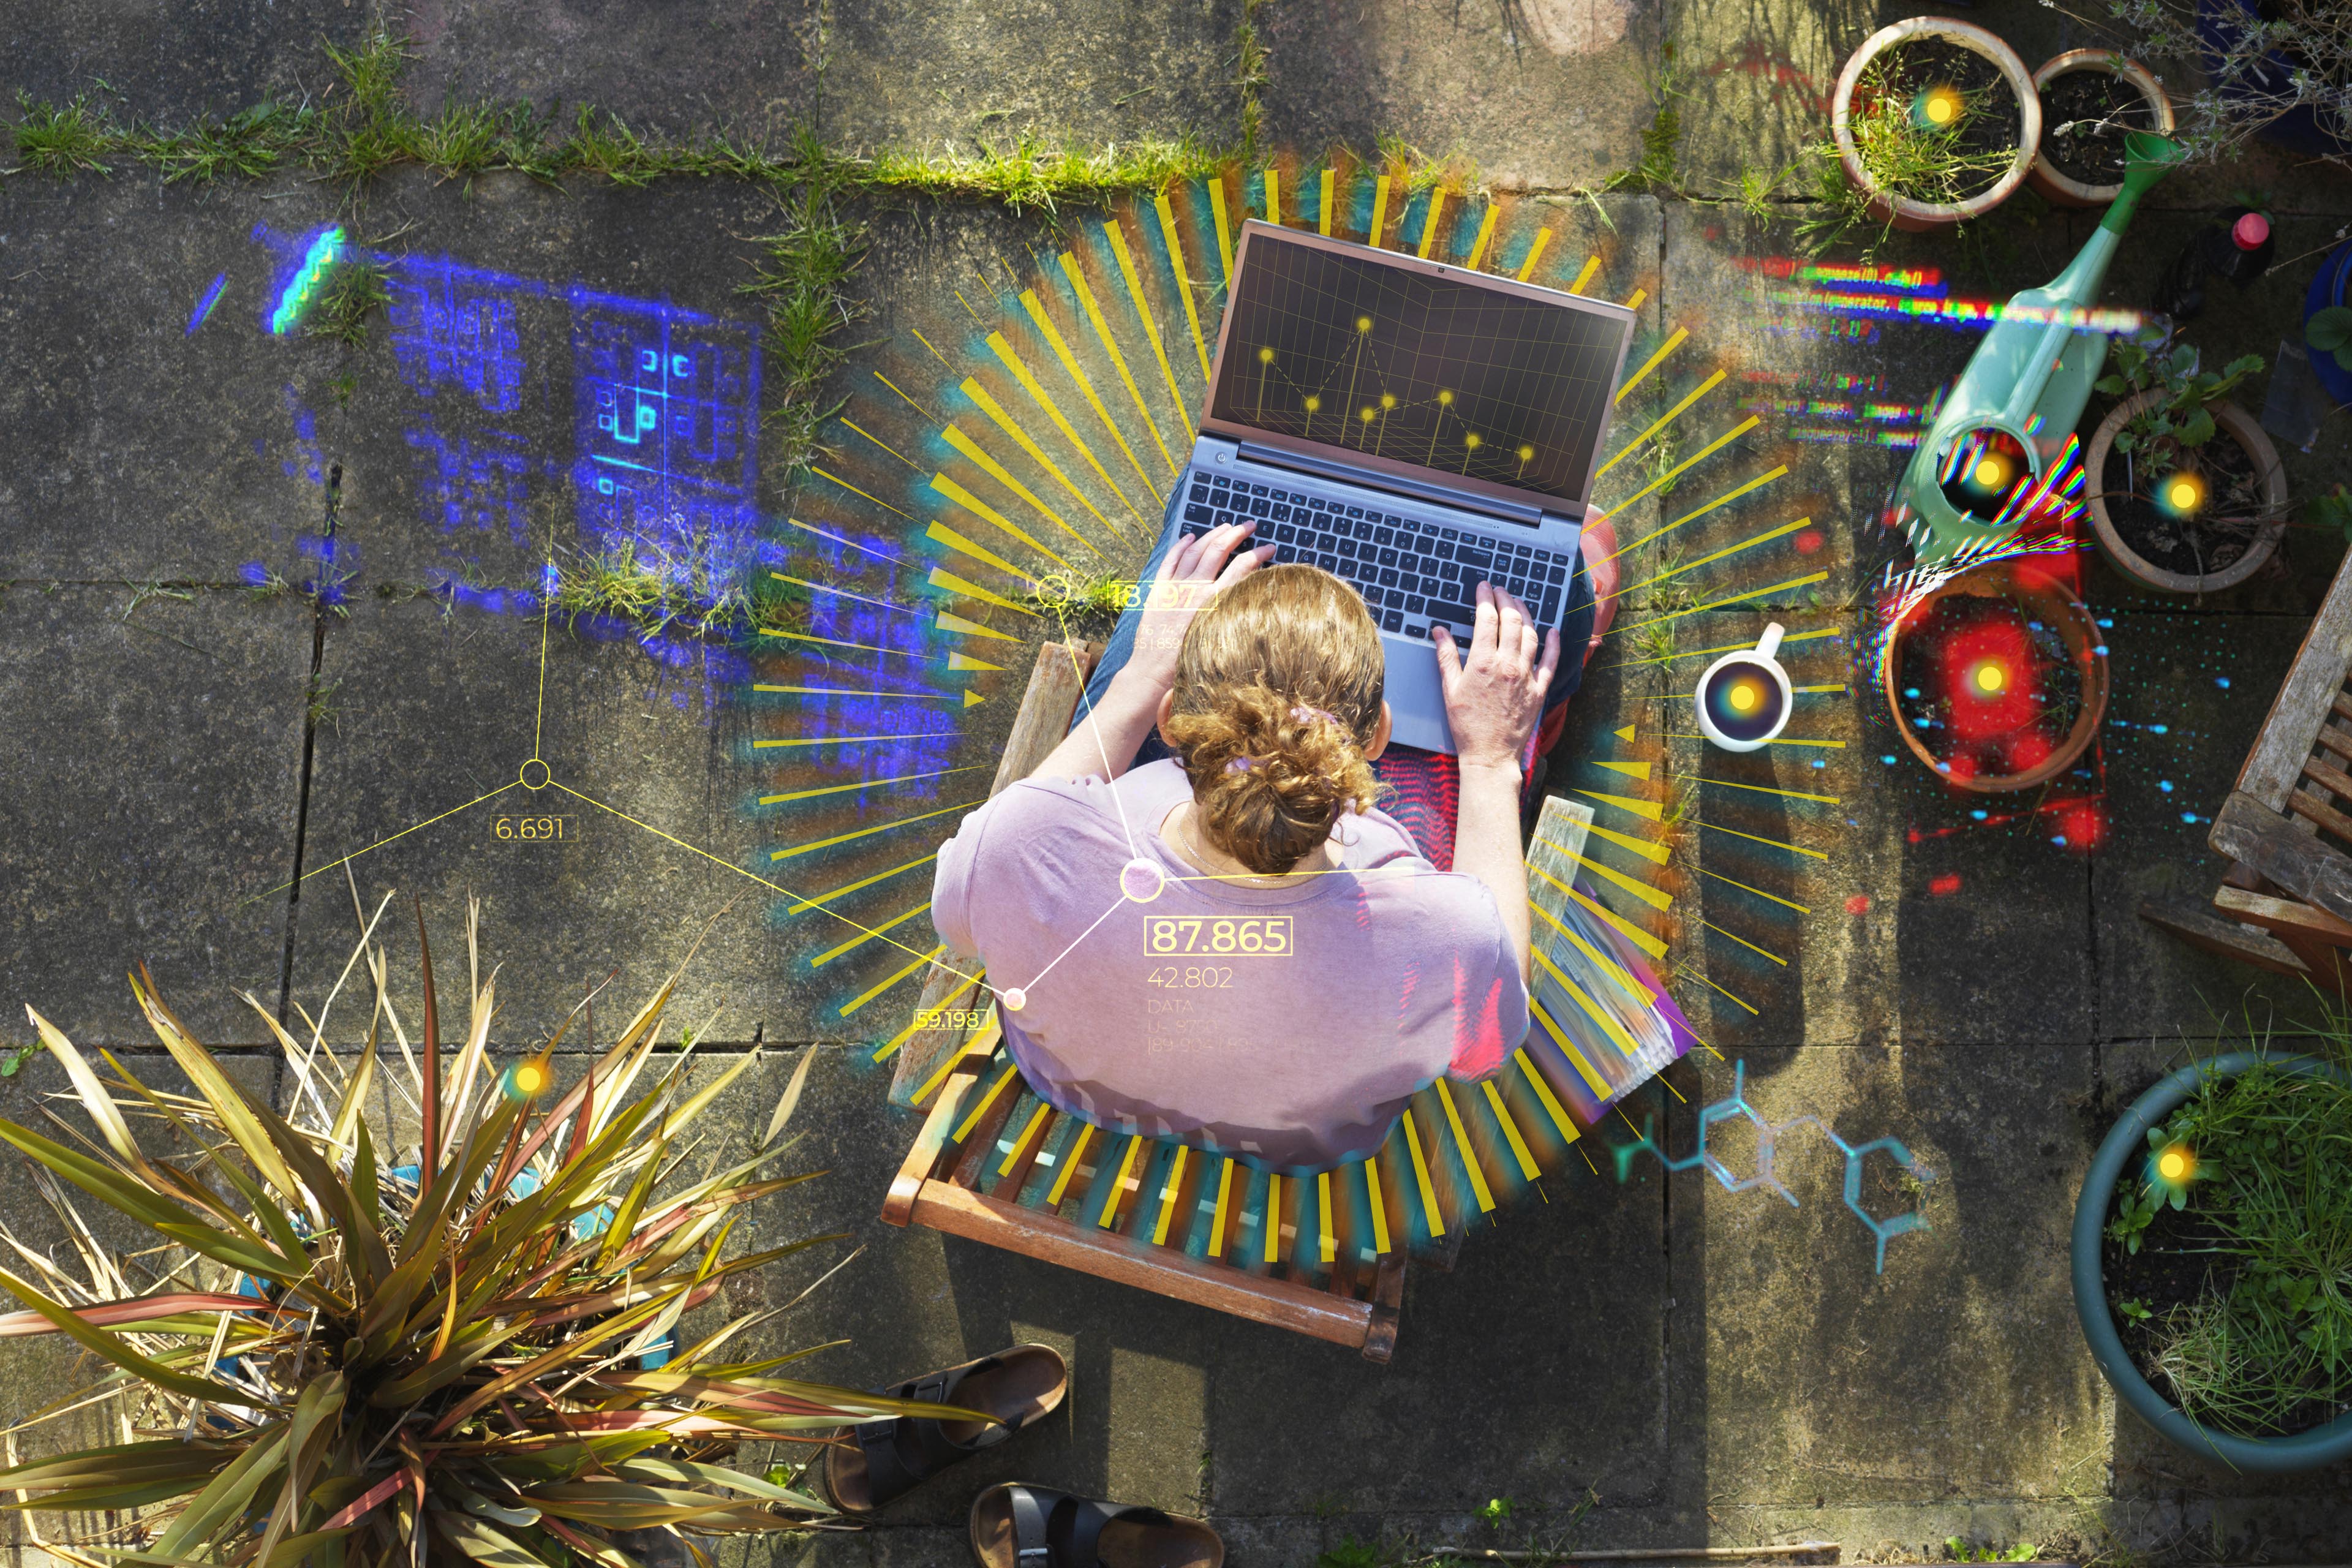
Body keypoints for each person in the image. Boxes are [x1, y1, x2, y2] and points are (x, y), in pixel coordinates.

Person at [929, 514, 1617, 1170]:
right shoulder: (1443, 938)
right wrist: (1491, 759)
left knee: (1185, 547)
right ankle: (1542, 710)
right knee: (1571, 595)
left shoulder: (1019, 843)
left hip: (1077, 1090)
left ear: (1171, 721)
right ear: (1375, 738)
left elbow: (957, 931)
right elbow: (1490, 1045)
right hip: (1304, 1151)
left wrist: (1141, 673)